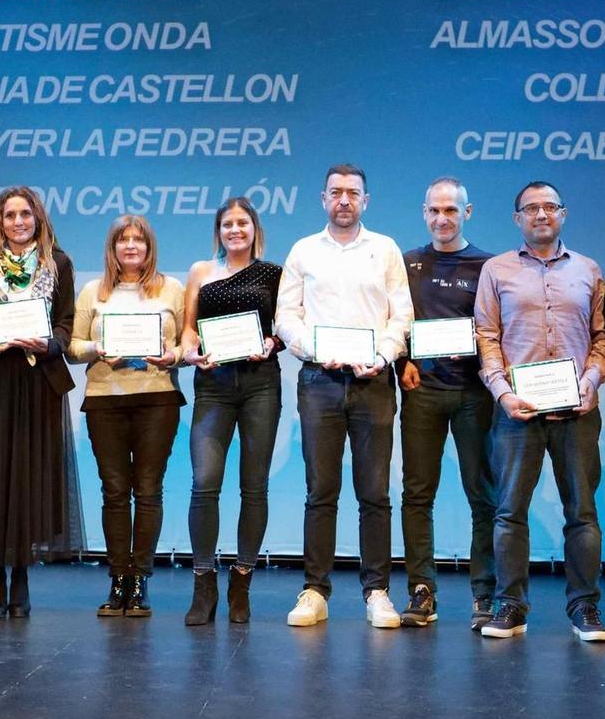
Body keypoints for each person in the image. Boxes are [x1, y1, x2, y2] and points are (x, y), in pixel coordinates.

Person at [473, 181, 605, 641]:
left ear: (563, 213)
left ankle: (585, 608)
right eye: (530, 208)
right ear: (517, 218)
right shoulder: (496, 270)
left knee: (582, 512)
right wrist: (501, 392)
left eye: (549, 206)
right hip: (518, 411)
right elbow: (487, 337)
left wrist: (592, 381)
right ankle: (510, 605)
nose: (541, 214)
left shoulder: (589, 270)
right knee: (509, 511)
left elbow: (603, 337)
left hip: (577, 412)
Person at [275, 163, 413, 628]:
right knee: (321, 490)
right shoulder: (303, 251)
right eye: (336, 192)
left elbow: (401, 314)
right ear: (323, 198)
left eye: (353, 193)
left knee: (374, 492)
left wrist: (385, 354)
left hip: (373, 380)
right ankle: (315, 589)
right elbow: (286, 317)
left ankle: (377, 591)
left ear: (365, 201)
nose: (344, 201)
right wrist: (316, 348)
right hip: (319, 381)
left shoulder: (386, 250)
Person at [0, 186, 79, 617]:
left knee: (29, 479)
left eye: (25, 214)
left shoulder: (58, 263)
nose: (18, 222)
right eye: (9, 215)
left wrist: (49, 343)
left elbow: (66, 324)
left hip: (37, 381)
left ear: (38, 218)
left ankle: (22, 575)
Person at [70, 215, 185, 618]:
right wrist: (97, 349)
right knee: (115, 491)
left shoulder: (172, 289)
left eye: (139, 240)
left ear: (150, 247)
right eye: (123, 240)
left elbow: (188, 345)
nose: (131, 246)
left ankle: (141, 580)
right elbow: (73, 345)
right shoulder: (92, 292)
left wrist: (171, 355)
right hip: (105, 399)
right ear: (112, 248)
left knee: (148, 489)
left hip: (157, 397)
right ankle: (118, 577)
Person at [396, 177, 497, 629]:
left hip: (475, 391)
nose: (442, 219)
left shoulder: (490, 265)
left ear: (467, 212)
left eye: (451, 211)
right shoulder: (407, 264)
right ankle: (422, 590)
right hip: (423, 390)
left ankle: (485, 595)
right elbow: (393, 323)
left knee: (483, 495)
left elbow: (500, 328)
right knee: (418, 494)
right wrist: (402, 361)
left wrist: (477, 346)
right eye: (434, 211)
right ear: (424, 213)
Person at [177, 197, 283, 626]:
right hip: (214, 385)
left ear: (254, 228)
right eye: (227, 224)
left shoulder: (274, 274)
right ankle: (204, 583)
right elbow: (188, 328)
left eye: (242, 223)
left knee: (253, 486)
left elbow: (284, 328)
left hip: (260, 384)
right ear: (218, 231)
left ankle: (242, 581)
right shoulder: (202, 272)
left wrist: (271, 344)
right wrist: (189, 351)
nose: (235, 230)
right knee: (204, 483)